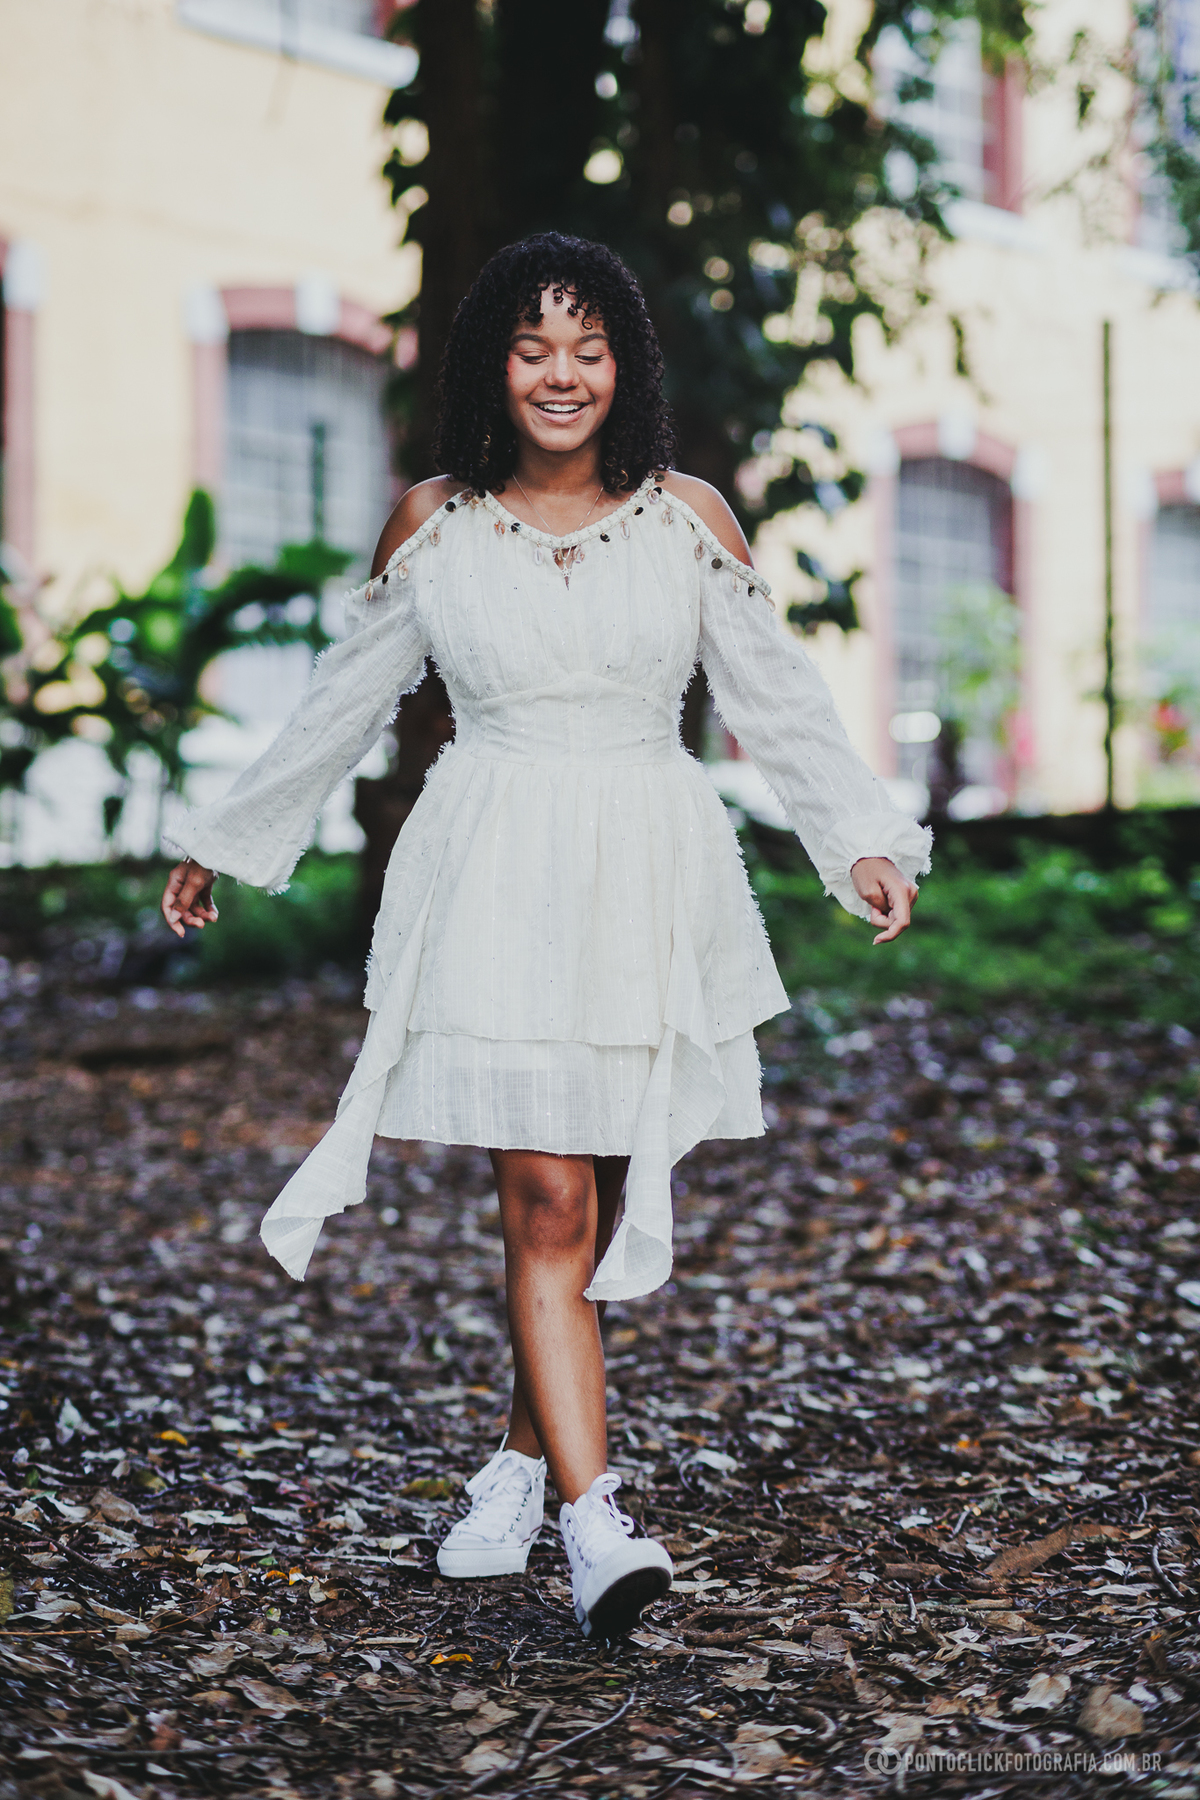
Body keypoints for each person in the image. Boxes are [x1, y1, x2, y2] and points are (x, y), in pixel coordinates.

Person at [161, 233, 930, 1642]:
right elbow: (345, 701)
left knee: (583, 1197)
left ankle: (519, 1466)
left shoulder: (688, 517)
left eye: (585, 347)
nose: (560, 374)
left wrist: (861, 841)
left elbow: (783, 697)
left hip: (648, 881)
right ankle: (595, 1526)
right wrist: (231, 835)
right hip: (495, 877)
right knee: (551, 1206)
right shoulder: (436, 527)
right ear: (490, 369)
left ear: (623, 363)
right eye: (531, 348)